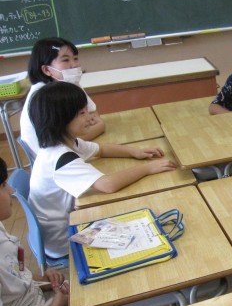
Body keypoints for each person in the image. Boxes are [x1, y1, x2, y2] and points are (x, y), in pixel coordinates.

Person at [28, 82, 176, 259]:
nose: (90, 118)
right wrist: (147, 168)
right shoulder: (59, 158)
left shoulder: (66, 143)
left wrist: (135, 152)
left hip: (66, 223)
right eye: (82, 113)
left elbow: (101, 149)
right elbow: (108, 185)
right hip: (63, 241)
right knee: (143, 228)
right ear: (61, 120)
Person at [0, 157, 110, 306]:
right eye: (2, 186)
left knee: (103, 296)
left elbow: (11, 278)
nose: (10, 191)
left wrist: (40, 280)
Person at [20, 37, 105, 157]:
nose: (74, 65)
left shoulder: (68, 84)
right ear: (46, 69)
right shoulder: (46, 97)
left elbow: (93, 114)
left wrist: (95, 124)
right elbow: (75, 139)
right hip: (58, 158)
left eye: (75, 58)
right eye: (66, 60)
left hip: (74, 151)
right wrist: (100, 126)